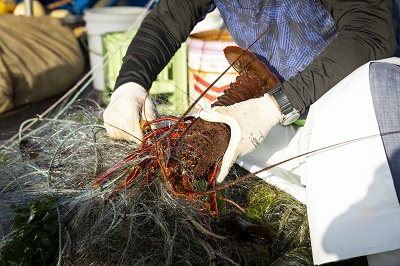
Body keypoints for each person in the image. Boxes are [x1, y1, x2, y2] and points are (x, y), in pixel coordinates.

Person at [103, 0, 400, 264]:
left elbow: (371, 32)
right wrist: (130, 85)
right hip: (272, 101)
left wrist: (274, 107)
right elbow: (167, 20)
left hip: (361, 95)